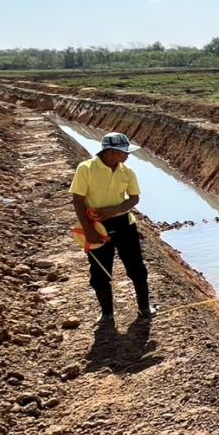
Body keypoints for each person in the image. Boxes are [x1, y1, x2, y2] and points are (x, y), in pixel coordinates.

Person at [70, 132, 154, 321]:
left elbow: (134, 198)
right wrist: (89, 231)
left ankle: (145, 308)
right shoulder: (86, 169)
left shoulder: (127, 172)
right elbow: (77, 200)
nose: (127, 155)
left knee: (137, 268)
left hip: (125, 225)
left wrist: (115, 209)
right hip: (97, 226)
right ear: (110, 152)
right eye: (124, 152)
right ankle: (107, 314)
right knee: (100, 272)